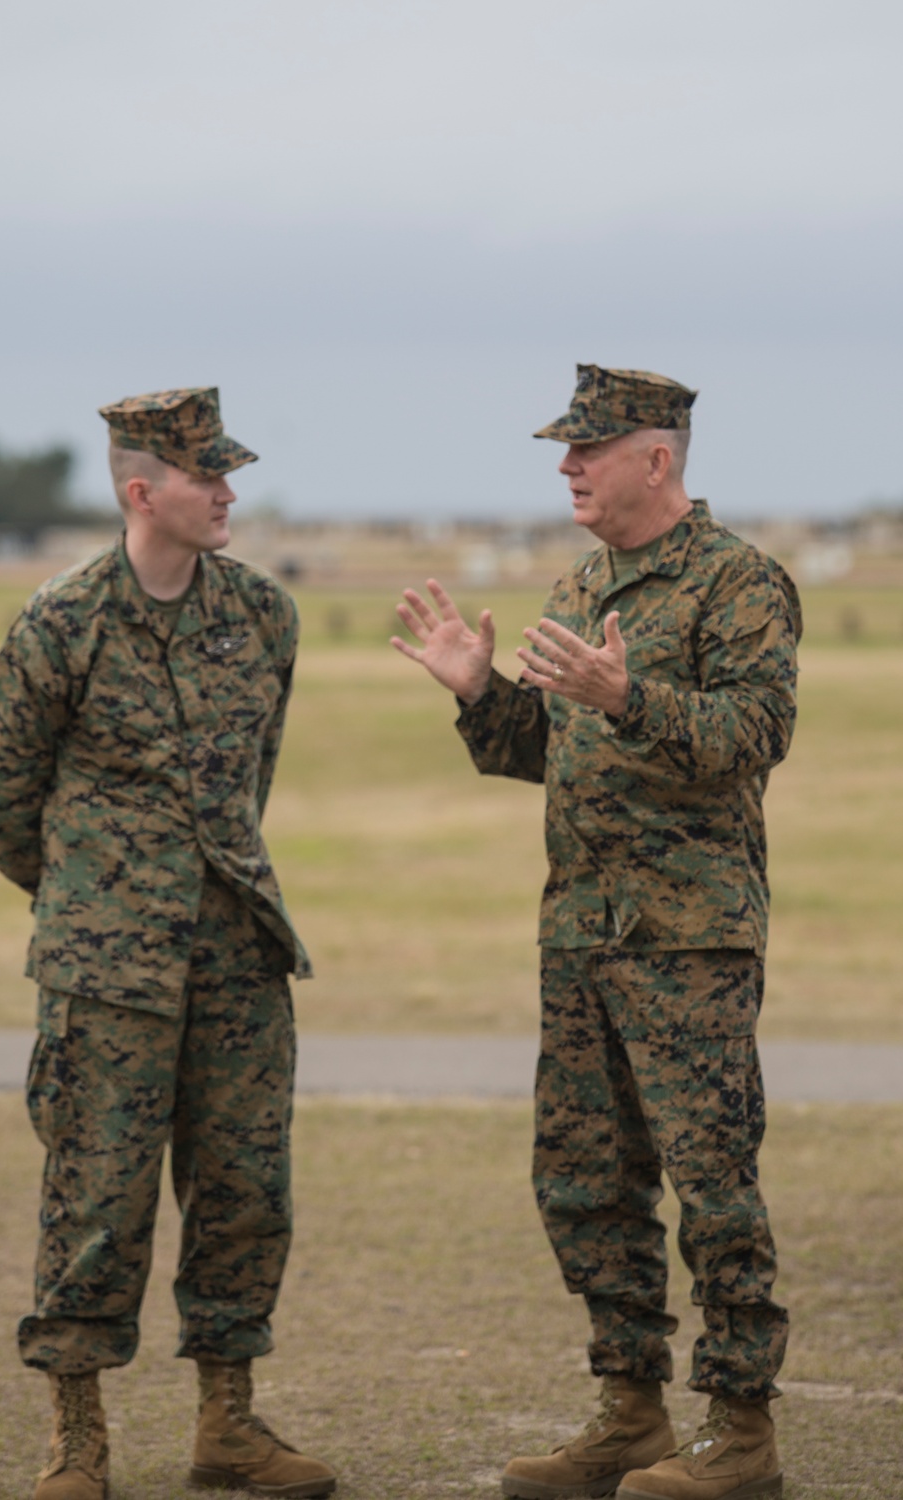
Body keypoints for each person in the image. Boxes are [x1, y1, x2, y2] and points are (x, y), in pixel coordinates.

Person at [391, 365, 799, 1500]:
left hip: (687, 935)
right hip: (580, 933)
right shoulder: (582, 582)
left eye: (586, 449)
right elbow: (557, 753)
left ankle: (741, 1431)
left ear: (655, 459)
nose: (565, 466)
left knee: (710, 1180)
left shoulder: (738, 582)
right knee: (585, 1182)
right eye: (563, 450)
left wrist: (632, 699)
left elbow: (753, 733)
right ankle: (629, 1414)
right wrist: (481, 697)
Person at [0, 388, 336, 1500]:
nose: (228, 492)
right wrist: (96, 896)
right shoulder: (61, 623)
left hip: (236, 957)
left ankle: (228, 1423)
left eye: (227, 472)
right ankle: (77, 1441)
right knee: (96, 1197)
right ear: (142, 491)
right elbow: (3, 803)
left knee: (244, 1194)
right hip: (107, 969)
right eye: (204, 475)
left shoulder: (265, 617)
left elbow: (247, 787)